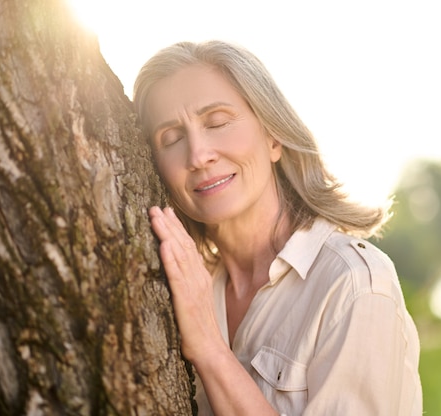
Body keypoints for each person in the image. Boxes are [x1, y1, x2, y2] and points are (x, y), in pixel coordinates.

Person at [133, 40, 422, 415]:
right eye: (171, 138)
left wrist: (208, 347)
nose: (198, 155)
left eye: (217, 122)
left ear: (273, 136)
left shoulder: (354, 285)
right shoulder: (178, 287)